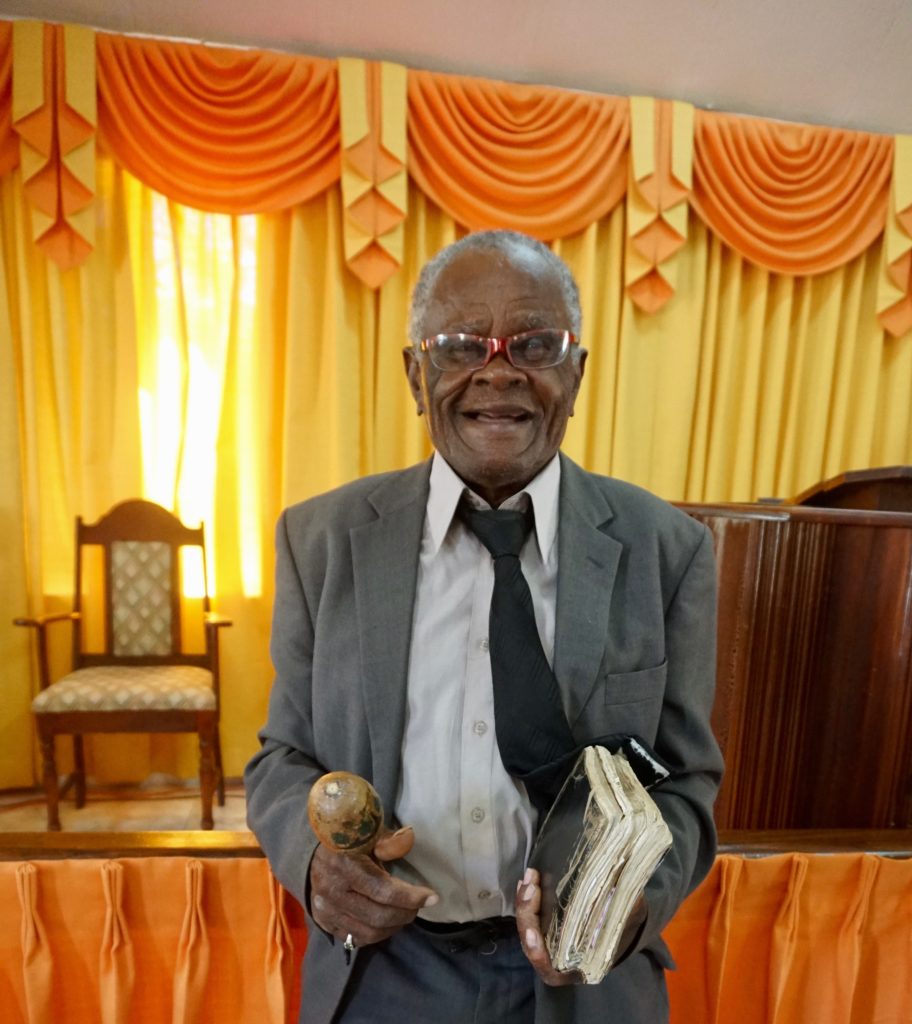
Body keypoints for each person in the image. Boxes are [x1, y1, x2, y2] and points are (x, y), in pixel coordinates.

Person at [245, 230, 723, 1024]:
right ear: (415, 372)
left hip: (586, 986)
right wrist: (314, 866)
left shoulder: (666, 551)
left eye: (535, 343)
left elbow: (685, 781)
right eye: (461, 345)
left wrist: (631, 902)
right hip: (386, 975)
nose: (497, 370)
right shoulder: (319, 541)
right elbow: (281, 760)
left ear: (576, 372)